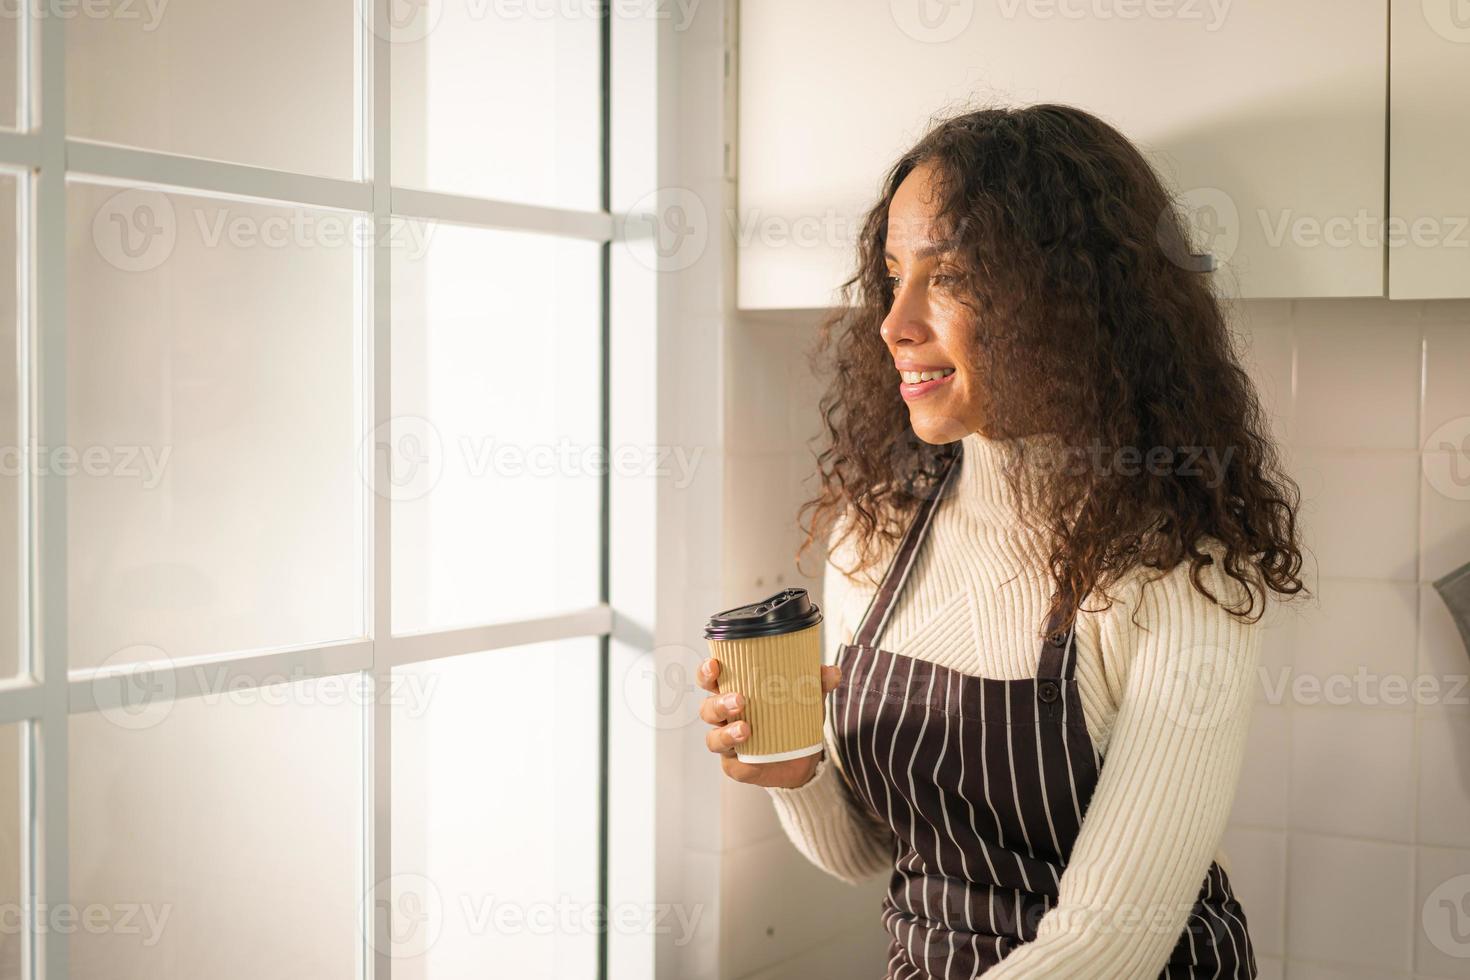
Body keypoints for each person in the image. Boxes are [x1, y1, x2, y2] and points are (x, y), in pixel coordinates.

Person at [698, 103, 1306, 978]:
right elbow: (869, 852)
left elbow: (1109, 941)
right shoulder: (873, 534)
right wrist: (793, 770)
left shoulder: (1181, 567)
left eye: (951, 277)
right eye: (893, 273)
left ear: (1070, 300)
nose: (895, 322)